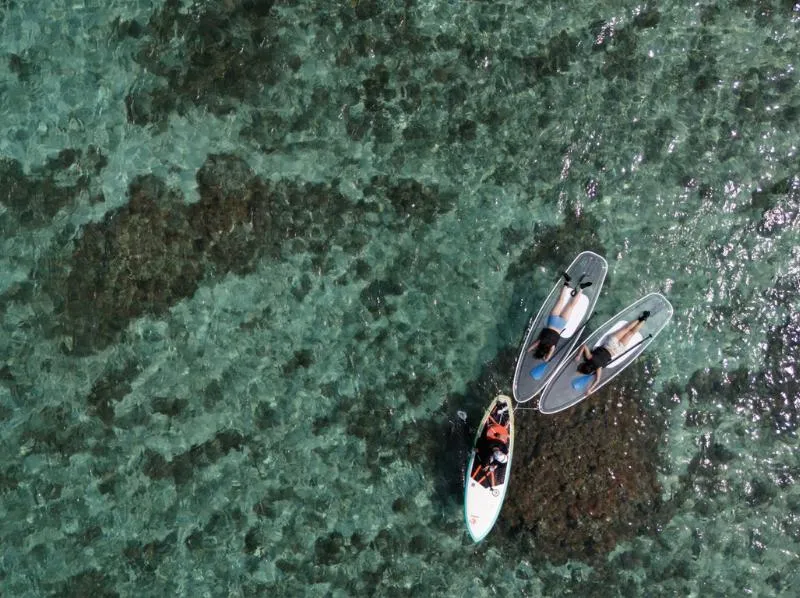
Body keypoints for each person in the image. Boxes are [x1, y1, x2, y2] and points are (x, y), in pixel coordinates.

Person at [574, 310, 650, 394]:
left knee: (631, 333)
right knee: (626, 329)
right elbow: (584, 346)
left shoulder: (598, 368)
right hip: (610, 343)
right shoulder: (589, 357)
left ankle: (644, 319)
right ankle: (640, 318)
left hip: (616, 350)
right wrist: (578, 355)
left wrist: (590, 390)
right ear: (585, 364)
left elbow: (597, 380)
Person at [527, 272, 592, 361]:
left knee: (571, 305)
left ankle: (581, 288)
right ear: (538, 349)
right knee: (561, 300)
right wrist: (528, 350)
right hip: (552, 321)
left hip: (561, 324)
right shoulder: (540, 342)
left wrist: (545, 358)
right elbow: (530, 348)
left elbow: (547, 358)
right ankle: (567, 282)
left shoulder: (552, 347)